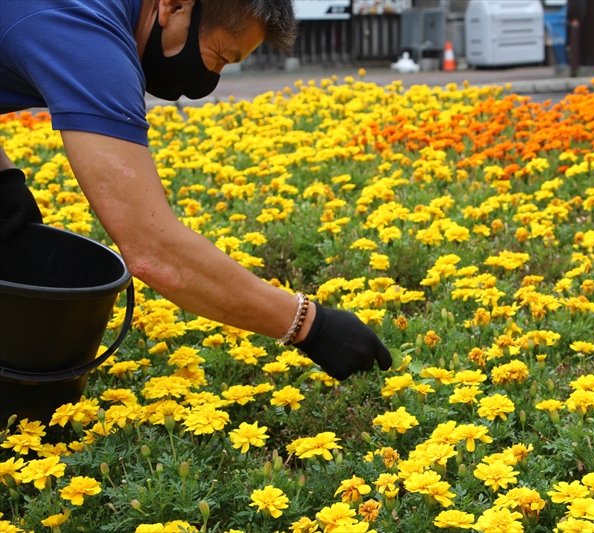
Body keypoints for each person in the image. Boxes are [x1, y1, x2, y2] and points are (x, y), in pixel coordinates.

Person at [0, 0, 392, 380]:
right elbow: (153, 249)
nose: (211, 78)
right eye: (220, 56)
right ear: (174, 6)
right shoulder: (87, 35)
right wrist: (309, 324)